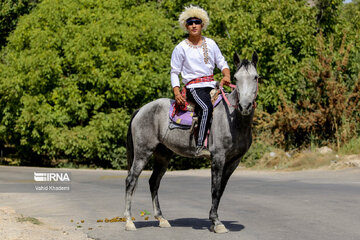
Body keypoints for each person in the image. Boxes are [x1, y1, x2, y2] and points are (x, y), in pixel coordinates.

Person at [170, 5, 231, 158]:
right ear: (186, 26)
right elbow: (174, 72)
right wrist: (176, 91)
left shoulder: (211, 43)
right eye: (190, 23)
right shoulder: (181, 48)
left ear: (202, 24)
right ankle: (199, 146)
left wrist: (227, 75)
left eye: (197, 22)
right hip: (193, 87)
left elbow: (222, 63)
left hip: (211, 85)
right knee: (206, 107)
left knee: (232, 105)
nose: (194, 25)